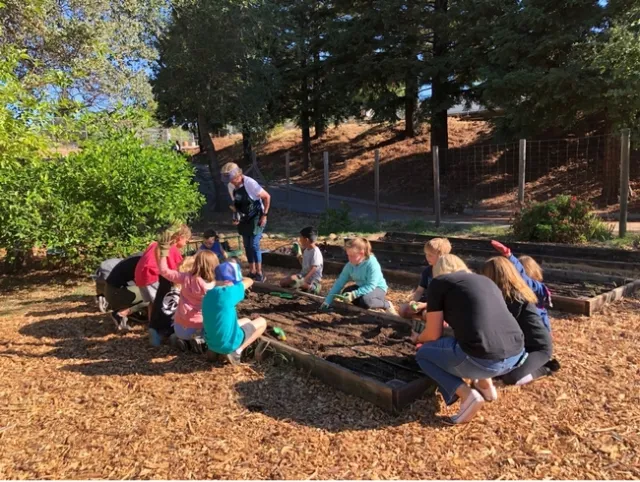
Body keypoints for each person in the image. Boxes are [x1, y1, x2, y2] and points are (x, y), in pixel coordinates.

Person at [413, 254, 525, 424]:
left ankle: (468, 396)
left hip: (484, 361)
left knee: (423, 354)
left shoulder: (439, 283)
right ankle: (486, 386)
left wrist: (418, 337)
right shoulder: (484, 281)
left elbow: (433, 333)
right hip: (516, 355)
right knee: (473, 336)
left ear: (438, 271)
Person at [481, 257, 560, 385]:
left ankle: (546, 367)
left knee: (511, 378)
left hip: (537, 349)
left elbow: (504, 327)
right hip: (522, 345)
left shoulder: (515, 298)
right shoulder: (504, 295)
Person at [158, 234, 219, 353]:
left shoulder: (185, 278)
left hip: (180, 326)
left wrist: (164, 252)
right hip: (199, 326)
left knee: (181, 330)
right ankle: (200, 340)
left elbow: (164, 271)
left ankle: (183, 340)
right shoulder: (214, 287)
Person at [202, 261, 267, 365]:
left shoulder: (208, 294)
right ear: (228, 282)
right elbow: (249, 281)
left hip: (211, 342)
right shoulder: (227, 292)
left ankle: (215, 351)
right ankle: (236, 352)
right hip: (228, 343)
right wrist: (240, 280)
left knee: (246, 320)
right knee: (262, 322)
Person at [138, 225, 192, 346]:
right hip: (169, 283)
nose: (186, 243)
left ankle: (154, 328)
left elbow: (162, 267)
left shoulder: (157, 246)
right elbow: (179, 267)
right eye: (186, 240)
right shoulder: (175, 252)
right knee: (173, 312)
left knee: (158, 303)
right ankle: (173, 335)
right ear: (180, 237)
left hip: (155, 278)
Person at [221, 162, 271, 282]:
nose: (231, 182)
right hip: (244, 218)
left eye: (232, 179)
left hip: (256, 216)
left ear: (238, 175)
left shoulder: (250, 183)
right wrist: (235, 217)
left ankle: (259, 272)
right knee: (247, 245)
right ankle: (252, 271)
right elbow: (236, 205)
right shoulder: (231, 186)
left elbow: (267, 197)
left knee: (254, 244)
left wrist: (264, 215)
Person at [320, 238, 397, 315]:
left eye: (352, 256)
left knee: (366, 301)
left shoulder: (372, 264)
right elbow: (339, 283)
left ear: (362, 253)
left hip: (378, 288)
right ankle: (365, 305)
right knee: (346, 293)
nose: (349, 258)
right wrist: (327, 301)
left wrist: (354, 294)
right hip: (362, 287)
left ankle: (386, 304)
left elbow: (371, 285)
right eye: (348, 255)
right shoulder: (350, 265)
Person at [491, 241, 552, 331]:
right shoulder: (540, 287)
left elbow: (524, 278)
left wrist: (509, 256)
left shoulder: (537, 287)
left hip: (534, 326)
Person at [399, 238, 451, 321]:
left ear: (441, 256)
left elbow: (444, 300)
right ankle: (419, 322)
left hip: (440, 306)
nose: (427, 257)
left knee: (427, 314)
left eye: (430, 255)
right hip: (426, 301)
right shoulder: (427, 271)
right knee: (403, 310)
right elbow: (419, 291)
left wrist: (424, 305)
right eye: (426, 254)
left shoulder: (447, 273)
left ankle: (431, 325)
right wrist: (413, 301)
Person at [104, 254, 147, 331]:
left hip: (112, 291)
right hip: (116, 294)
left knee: (152, 292)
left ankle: (135, 313)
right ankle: (121, 313)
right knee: (154, 294)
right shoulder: (145, 261)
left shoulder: (141, 257)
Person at [279, 226, 324, 295]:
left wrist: (304, 280)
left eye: (301, 238)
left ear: (306, 240)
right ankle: (301, 286)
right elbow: (304, 265)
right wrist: (299, 257)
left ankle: (313, 288)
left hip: (313, 279)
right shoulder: (306, 250)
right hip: (303, 276)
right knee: (282, 282)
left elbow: (314, 269)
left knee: (293, 280)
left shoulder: (315, 252)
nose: (299, 240)